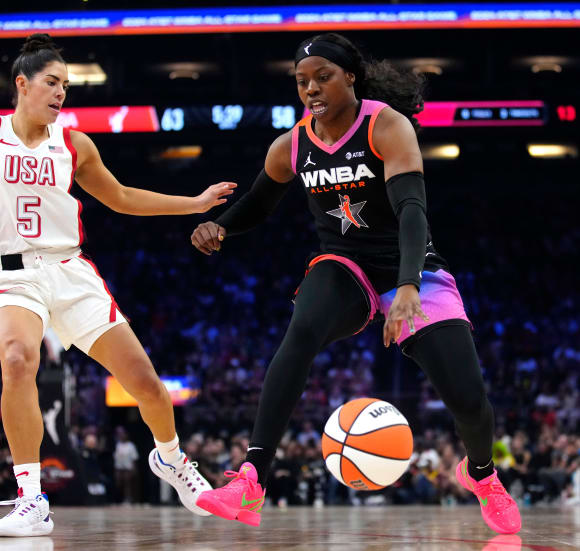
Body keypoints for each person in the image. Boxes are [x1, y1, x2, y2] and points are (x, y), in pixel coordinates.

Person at [191, 32, 520, 534]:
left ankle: (481, 475)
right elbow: (258, 203)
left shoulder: (386, 126)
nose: (311, 89)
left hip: (412, 266)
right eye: (302, 82)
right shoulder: (292, 144)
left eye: (323, 77)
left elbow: (412, 209)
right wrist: (222, 225)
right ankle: (252, 476)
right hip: (345, 265)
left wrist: (409, 286)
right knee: (301, 331)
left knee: (469, 399)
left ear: (351, 77)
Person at [0, 13, 231, 536]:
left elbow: (124, 198)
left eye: (66, 84)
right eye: (52, 82)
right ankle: (31, 499)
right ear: (22, 84)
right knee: (18, 360)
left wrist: (194, 203)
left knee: (149, 387)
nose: (62, 93)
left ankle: (172, 461)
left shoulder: (75, 144)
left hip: (72, 273)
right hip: (13, 276)